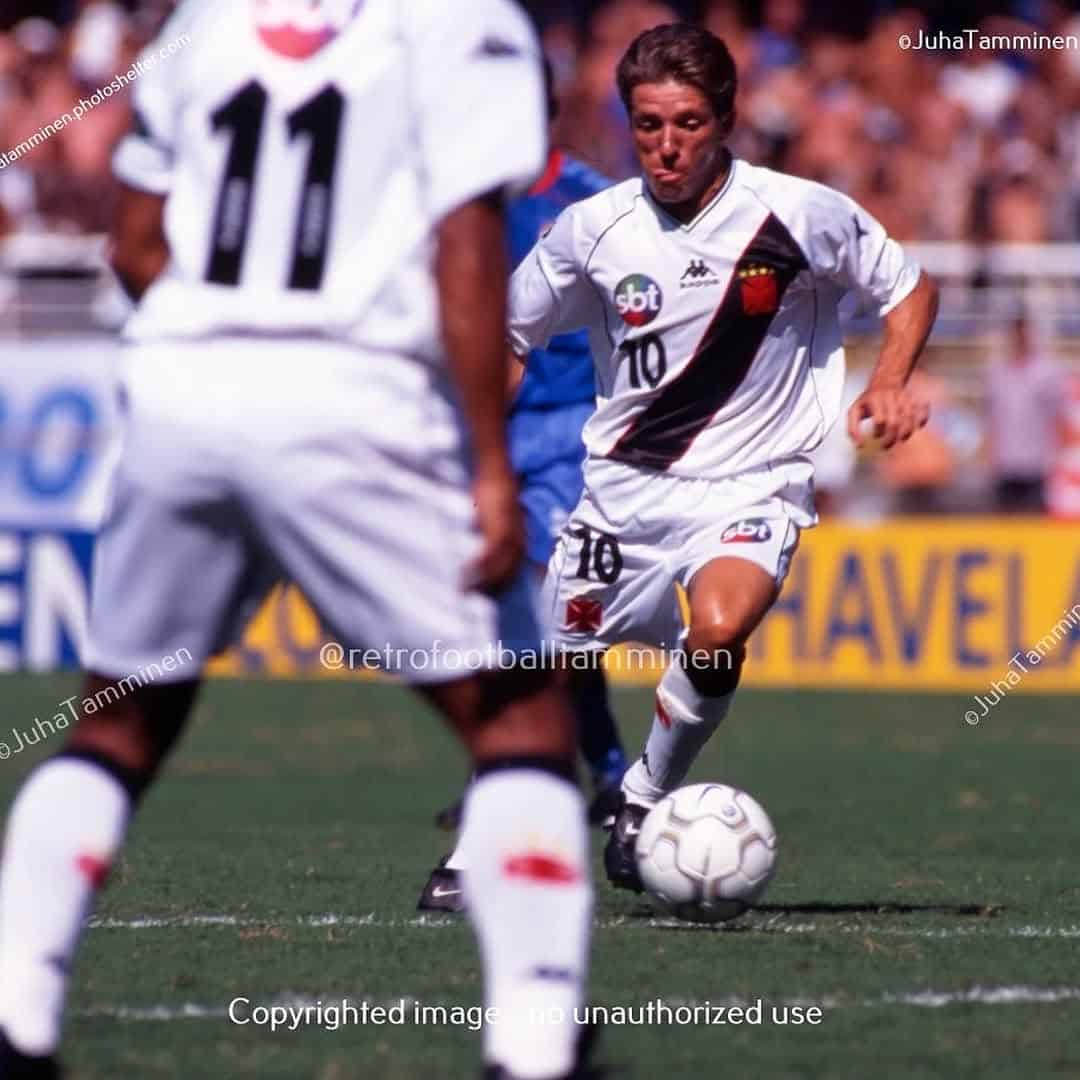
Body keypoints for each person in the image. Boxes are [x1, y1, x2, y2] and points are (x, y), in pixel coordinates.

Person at [0, 4, 595, 1080]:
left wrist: (222, 353)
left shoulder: (208, 16)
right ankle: (535, 1046)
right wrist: (488, 460)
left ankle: (17, 1020)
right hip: (352, 395)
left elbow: (134, 244)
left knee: (118, 720)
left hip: (182, 387)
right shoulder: (464, 21)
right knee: (519, 712)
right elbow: (468, 246)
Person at [507, 23, 938, 892]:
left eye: (688, 123)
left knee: (716, 631)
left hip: (753, 484)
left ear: (727, 121)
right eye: (648, 125)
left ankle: (641, 797)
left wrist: (890, 381)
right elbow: (510, 338)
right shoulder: (591, 230)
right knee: (540, 669)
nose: (667, 146)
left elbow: (908, 287)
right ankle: (493, 841)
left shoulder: (799, 212)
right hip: (622, 494)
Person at [420, 64, 626, 914]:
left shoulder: (592, 203)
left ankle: (520, 785)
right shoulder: (455, 200)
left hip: (570, 431)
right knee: (515, 613)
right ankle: (595, 771)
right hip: (488, 429)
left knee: (546, 607)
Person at [986, 313, 1065, 514]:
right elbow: (993, 418)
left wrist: (1058, 457)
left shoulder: (1047, 373)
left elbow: (1058, 417)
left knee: (1035, 520)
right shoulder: (997, 374)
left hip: (1037, 463)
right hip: (1005, 462)